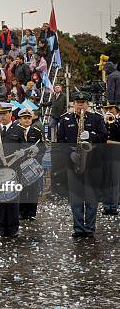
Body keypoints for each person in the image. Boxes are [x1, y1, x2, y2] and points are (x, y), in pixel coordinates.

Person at [57, 92, 107, 238]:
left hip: (93, 163)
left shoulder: (96, 119)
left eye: (83, 102)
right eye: (78, 103)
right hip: (74, 162)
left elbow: (103, 137)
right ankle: (78, 228)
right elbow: (60, 142)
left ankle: (90, 228)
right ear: (74, 104)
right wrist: (69, 154)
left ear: (88, 104)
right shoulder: (65, 119)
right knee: (76, 197)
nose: (80, 105)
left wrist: (91, 136)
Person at [0, 102, 26, 238]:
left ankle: (13, 228)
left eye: (5, 113)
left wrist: (23, 153)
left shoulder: (19, 130)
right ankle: (2, 228)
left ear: (11, 114)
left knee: (12, 201)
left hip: (13, 169)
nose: (2, 116)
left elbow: (25, 150)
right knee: (0, 200)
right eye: (0, 114)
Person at [16, 108, 45, 220]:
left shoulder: (37, 132)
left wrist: (36, 156)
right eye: (25, 118)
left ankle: (31, 213)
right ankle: (21, 212)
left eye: (29, 118)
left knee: (33, 190)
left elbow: (42, 147)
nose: (27, 120)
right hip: (19, 165)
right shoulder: (15, 131)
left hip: (33, 165)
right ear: (20, 119)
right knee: (22, 189)